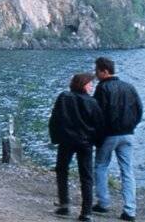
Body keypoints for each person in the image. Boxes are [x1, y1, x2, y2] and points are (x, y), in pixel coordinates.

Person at [92, 56, 143, 221]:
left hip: (109, 135)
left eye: (97, 71)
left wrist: (96, 135)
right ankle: (130, 210)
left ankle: (103, 203)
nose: (95, 74)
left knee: (100, 166)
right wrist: (131, 126)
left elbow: (97, 114)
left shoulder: (102, 88)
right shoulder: (129, 87)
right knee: (127, 171)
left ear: (104, 71)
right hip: (128, 134)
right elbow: (139, 109)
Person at [49, 73, 103, 221]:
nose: (91, 86)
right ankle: (86, 212)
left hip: (66, 141)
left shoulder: (64, 97)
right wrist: (96, 142)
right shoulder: (92, 102)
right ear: (84, 85)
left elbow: (55, 119)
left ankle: (64, 204)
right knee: (86, 176)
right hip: (85, 143)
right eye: (90, 84)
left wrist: (55, 138)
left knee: (62, 171)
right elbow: (98, 124)